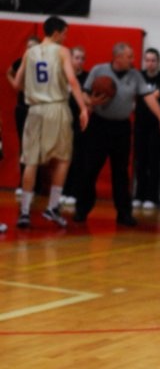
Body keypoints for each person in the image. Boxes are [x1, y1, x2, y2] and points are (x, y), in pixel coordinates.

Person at [73, 43, 160, 227]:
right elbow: (84, 94)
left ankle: (124, 214)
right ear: (117, 57)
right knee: (90, 169)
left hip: (122, 129)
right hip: (99, 126)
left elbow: (148, 97)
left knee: (121, 173)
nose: (133, 60)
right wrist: (90, 101)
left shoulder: (135, 76)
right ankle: (82, 210)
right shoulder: (99, 70)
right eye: (129, 56)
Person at [13, 16, 88, 229]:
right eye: (64, 33)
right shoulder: (62, 51)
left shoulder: (29, 52)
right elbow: (72, 80)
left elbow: (17, 84)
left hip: (34, 109)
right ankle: (52, 207)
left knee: (31, 161)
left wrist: (34, 90)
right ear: (56, 33)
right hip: (56, 107)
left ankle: (24, 212)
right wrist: (83, 108)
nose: (65, 37)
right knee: (63, 158)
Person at [132, 48, 160, 210]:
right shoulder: (138, 77)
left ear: (158, 62)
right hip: (140, 124)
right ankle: (139, 195)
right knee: (140, 161)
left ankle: (152, 197)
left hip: (157, 126)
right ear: (144, 61)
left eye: (153, 60)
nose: (150, 63)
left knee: (154, 161)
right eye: (147, 60)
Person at [6, 35, 41, 195]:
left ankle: (36, 185)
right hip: (22, 109)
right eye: (28, 47)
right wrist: (17, 86)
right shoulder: (21, 62)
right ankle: (23, 183)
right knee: (24, 147)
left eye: (34, 46)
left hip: (38, 110)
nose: (30, 49)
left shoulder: (44, 65)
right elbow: (9, 72)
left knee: (37, 148)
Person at [61, 46, 88, 206]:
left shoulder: (87, 77)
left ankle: (74, 191)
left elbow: (89, 100)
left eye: (82, 58)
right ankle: (63, 190)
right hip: (64, 121)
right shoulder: (63, 75)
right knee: (63, 158)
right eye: (77, 57)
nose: (79, 61)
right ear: (70, 59)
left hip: (80, 123)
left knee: (78, 157)